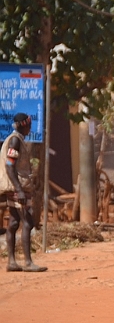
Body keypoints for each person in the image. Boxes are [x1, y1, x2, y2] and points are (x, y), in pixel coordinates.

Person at [1, 113, 46, 272]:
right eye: (29, 125)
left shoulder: (15, 139)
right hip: (17, 188)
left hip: (17, 187)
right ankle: (28, 262)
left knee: (13, 223)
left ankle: (12, 262)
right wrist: (19, 190)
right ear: (24, 125)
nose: (30, 128)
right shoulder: (15, 141)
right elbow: (9, 166)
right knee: (28, 222)